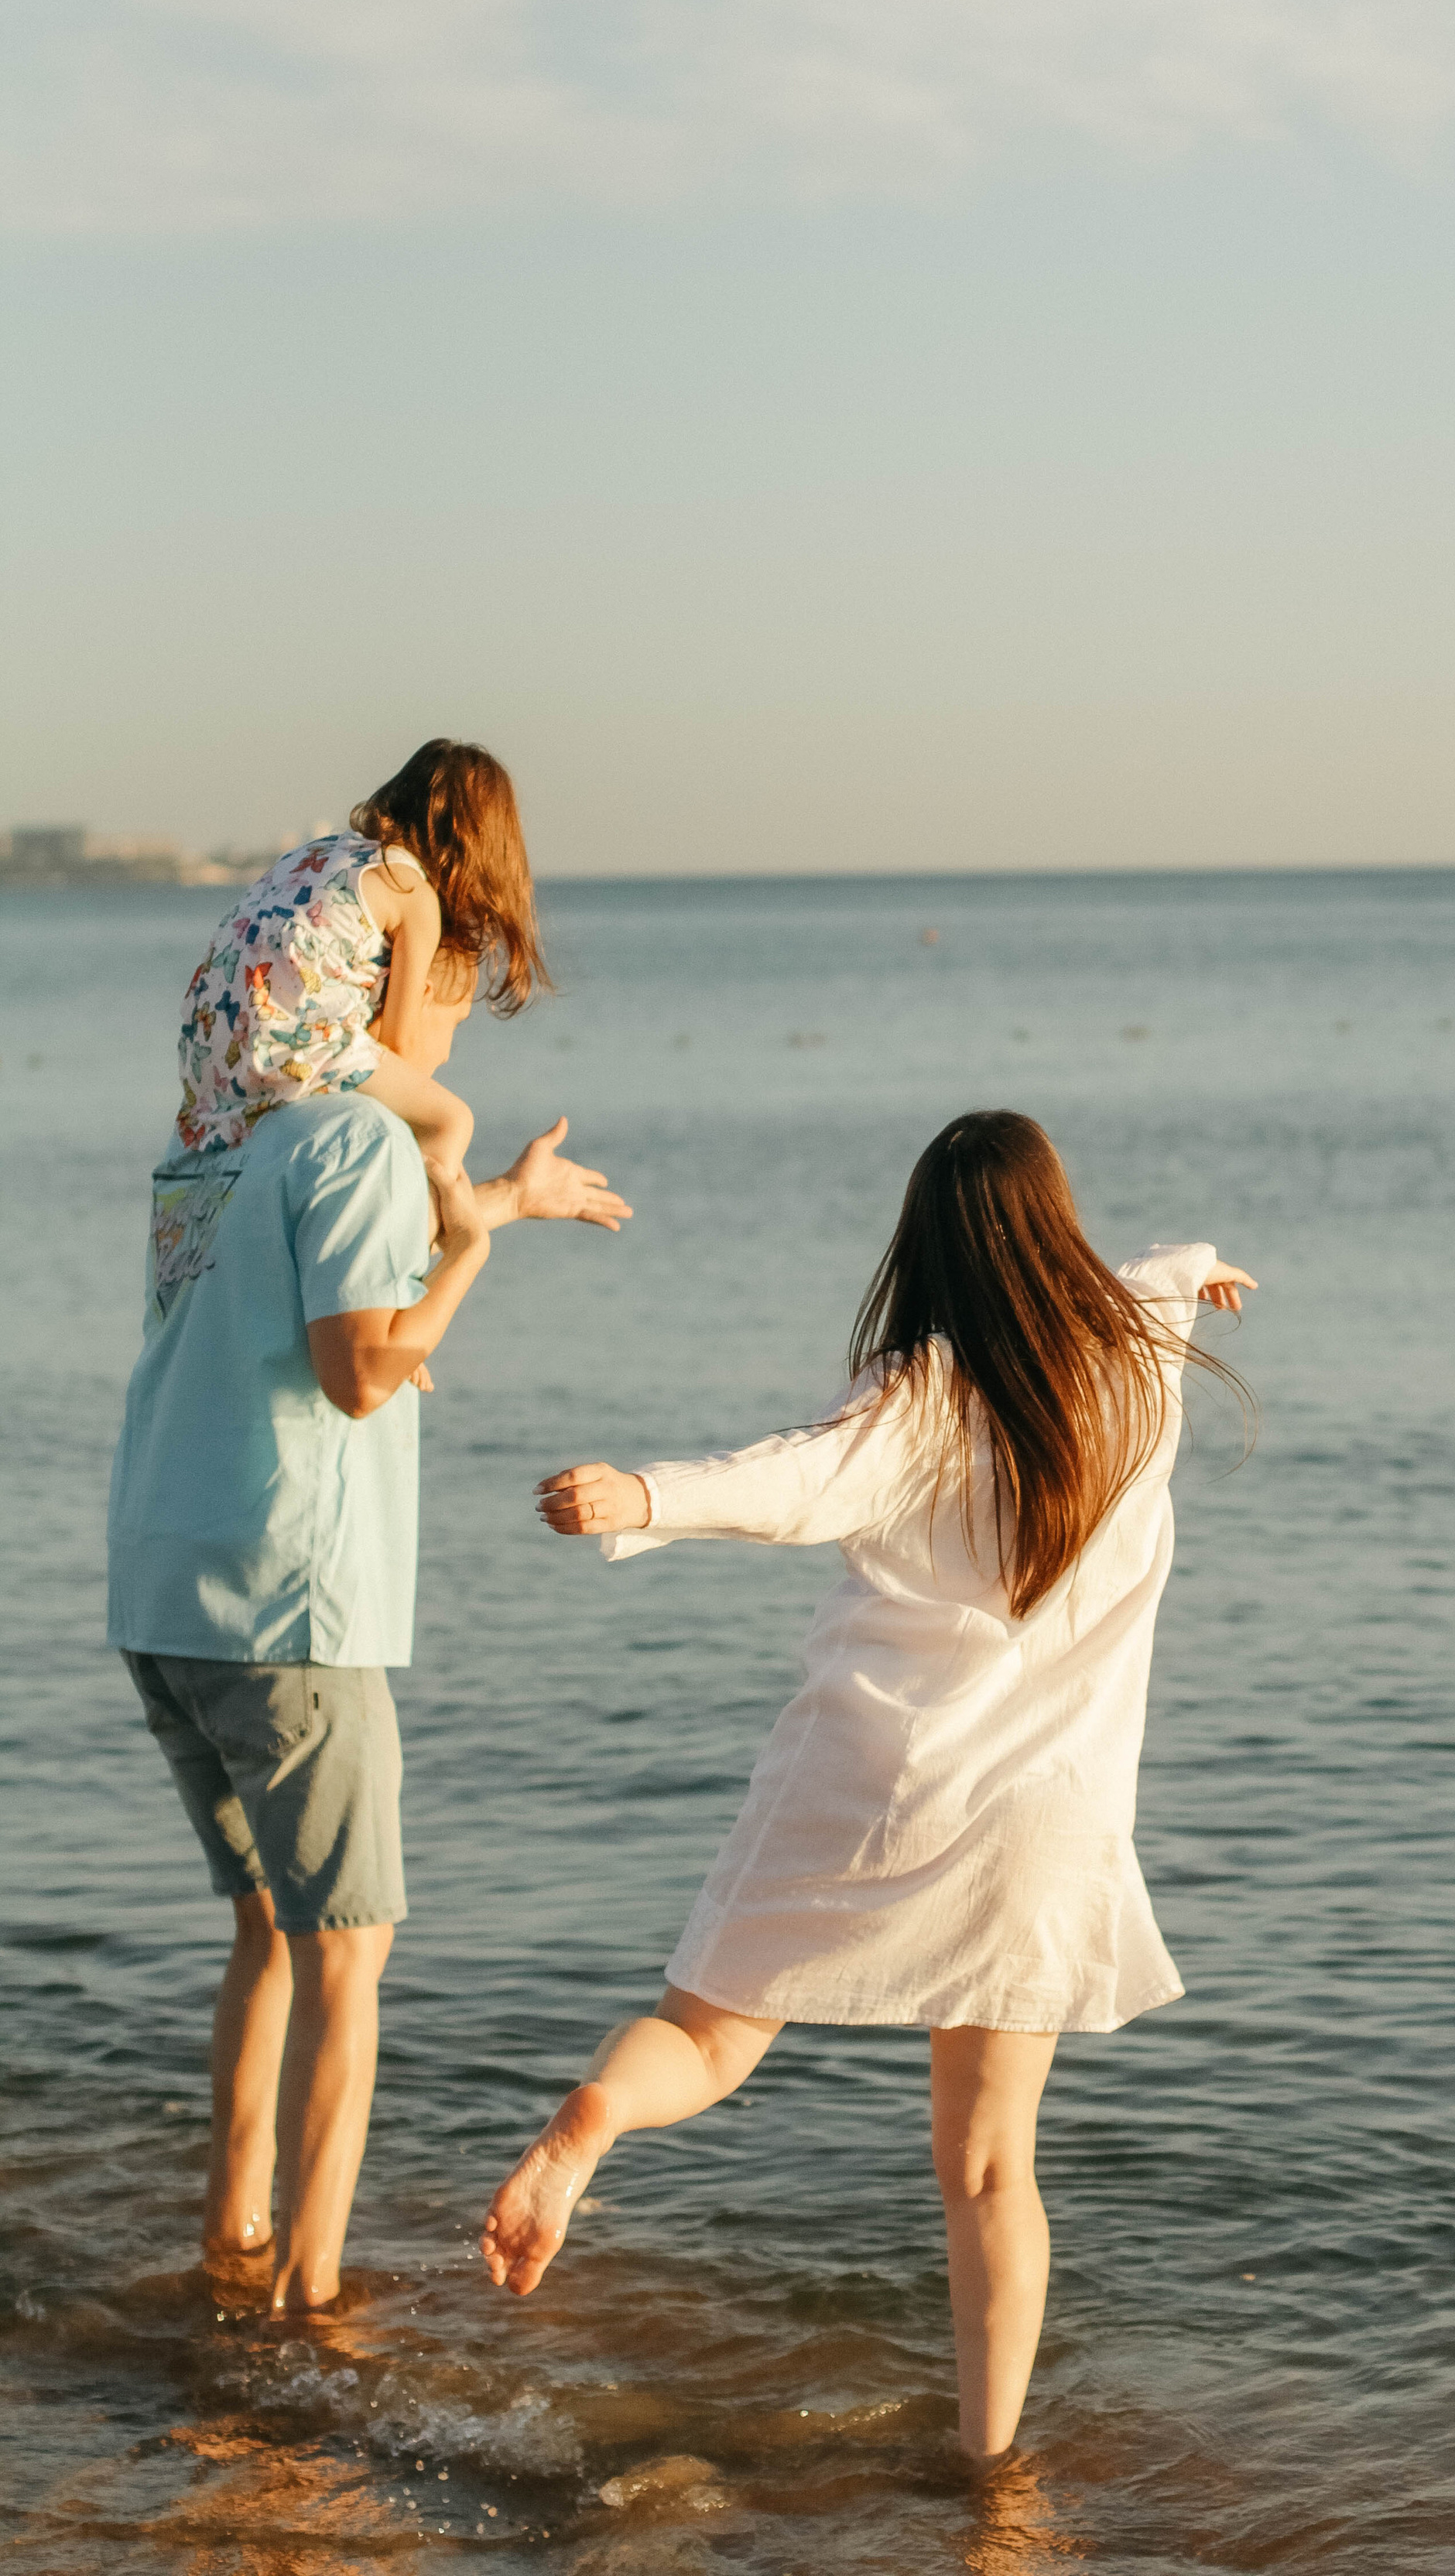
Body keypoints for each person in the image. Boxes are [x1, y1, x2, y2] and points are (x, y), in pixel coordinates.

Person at [481, 1109, 1255, 2464]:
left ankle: (589, 2126)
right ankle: (989, 2467)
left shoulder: (920, 1398)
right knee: (993, 2170)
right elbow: (1153, 1276)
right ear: (1055, 1230)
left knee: (714, 2038)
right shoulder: (1142, 1367)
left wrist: (641, 1497)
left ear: (928, 1248)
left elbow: (788, 1485)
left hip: (875, 1776)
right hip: (1047, 1819)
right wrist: (1199, 1269)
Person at [110, 944, 630, 2314]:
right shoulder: (358, 1139)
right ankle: (305, 2303)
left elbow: (307, 1288)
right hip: (293, 1604)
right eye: (457, 991)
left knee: (268, 1936)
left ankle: (231, 2249)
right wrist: (469, 1250)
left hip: (167, 1591)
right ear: (386, 989)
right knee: (345, 1954)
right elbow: (361, 1371)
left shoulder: (222, 1140)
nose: (461, 1025)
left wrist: (499, 1200)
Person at [173, 737, 547, 1183]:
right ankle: (449, 1234)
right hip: (290, 1041)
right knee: (452, 1121)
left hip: (206, 1047)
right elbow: (402, 1045)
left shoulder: (319, 852)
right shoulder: (413, 893)